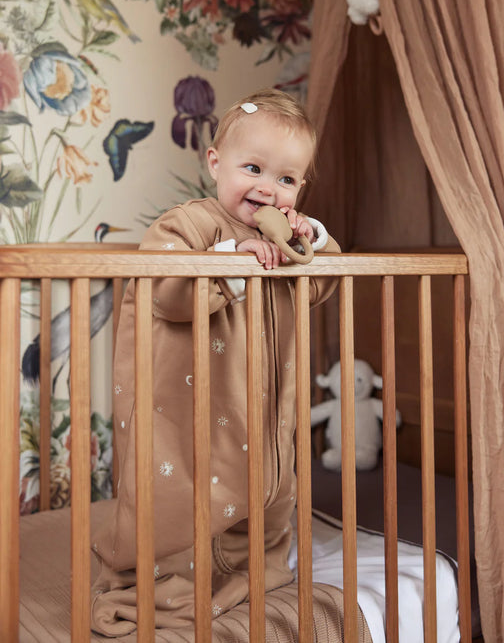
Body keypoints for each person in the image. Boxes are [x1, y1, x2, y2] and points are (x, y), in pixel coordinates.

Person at [91, 88, 340, 635]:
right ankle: (170, 581)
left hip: (263, 405)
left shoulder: (286, 237)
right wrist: (230, 263)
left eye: (286, 179)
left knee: (267, 493)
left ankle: (257, 575)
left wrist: (311, 240)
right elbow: (166, 293)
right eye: (253, 167)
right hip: (193, 403)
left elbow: (321, 282)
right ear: (215, 163)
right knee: (186, 495)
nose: (267, 188)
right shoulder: (188, 225)